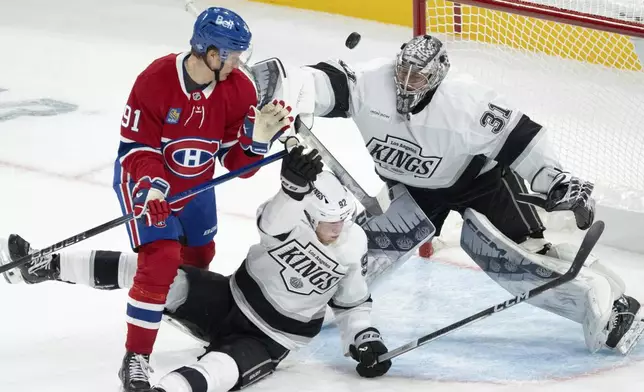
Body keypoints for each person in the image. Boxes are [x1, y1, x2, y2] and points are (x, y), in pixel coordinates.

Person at [292, 34, 643, 354]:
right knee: (359, 252)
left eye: (418, 76)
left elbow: (521, 139)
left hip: (481, 186)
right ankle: (310, 302)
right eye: (403, 72)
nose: (405, 82)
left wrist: (557, 182)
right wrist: (287, 88)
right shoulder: (370, 82)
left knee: (520, 262)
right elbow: (322, 83)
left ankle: (614, 307)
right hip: (413, 191)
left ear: (436, 76)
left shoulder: (467, 102)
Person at [2, 7, 293, 392]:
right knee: (161, 262)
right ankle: (136, 358)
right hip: (145, 183)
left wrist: (255, 143)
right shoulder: (155, 80)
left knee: (191, 271)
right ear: (209, 52)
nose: (239, 63)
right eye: (232, 55)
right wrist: (153, 186)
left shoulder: (238, 89)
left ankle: (48, 265)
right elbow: (135, 148)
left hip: (197, 189)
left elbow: (235, 166)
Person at [0, 143, 392, 392]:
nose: (336, 229)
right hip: (229, 299)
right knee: (156, 274)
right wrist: (291, 190)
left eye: (341, 220)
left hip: (274, 339)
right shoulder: (288, 216)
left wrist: (364, 339)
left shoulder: (352, 244)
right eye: (329, 221)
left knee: (222, 368)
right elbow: (269, 224)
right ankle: (43, 265)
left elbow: (353, 304)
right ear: (308, 212)